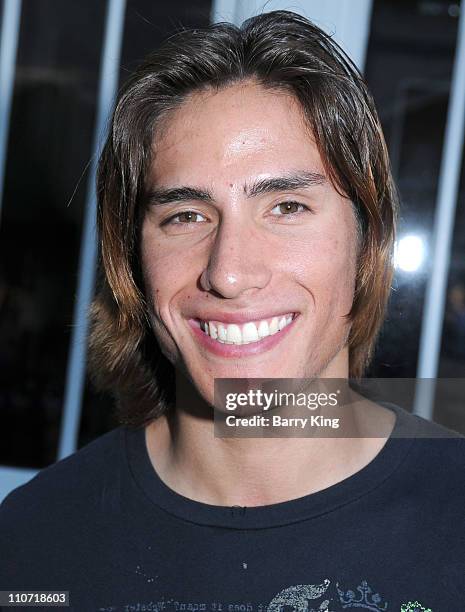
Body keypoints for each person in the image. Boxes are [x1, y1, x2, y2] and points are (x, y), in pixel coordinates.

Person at [1, 10, 464, 611]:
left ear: (366, 241)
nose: (228, 271)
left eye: (287, 207)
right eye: (185, 216)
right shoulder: (33, 540)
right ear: (132, 263)